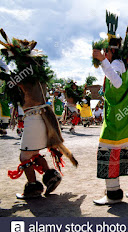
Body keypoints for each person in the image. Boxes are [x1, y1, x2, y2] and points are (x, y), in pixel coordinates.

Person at [0, 30, 77, 199]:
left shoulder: (26, 72)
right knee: (33, 153)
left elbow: (13, 83)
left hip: (34, 118)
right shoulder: (35, 70)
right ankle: (50, 176)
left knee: (25, 155)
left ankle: (33, 187)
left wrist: (4, 74)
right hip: (41, 117)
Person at [92, 12, 128, 205]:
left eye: (106, 51)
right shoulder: (125, 65)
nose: (104, 53)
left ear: (111, 52)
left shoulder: (114, 64)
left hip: (116, 121)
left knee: (108, 152)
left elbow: (116, 82)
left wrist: (102, 61)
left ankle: (113, 194)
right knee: (125, 150)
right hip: (127, 119)